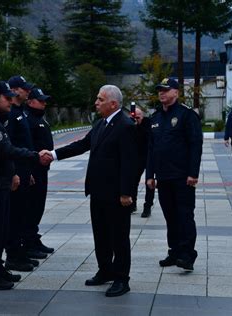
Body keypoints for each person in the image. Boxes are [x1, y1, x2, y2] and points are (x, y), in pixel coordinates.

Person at [45, 85, 137, 297]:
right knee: (101, 234)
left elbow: (130, 163)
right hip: (98, 191)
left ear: (113, 103)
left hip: (116, 195)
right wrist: (54, 154)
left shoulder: (125, 125)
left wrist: (126, 193)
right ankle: (105, 270)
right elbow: (82, 144)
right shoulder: (100, 123)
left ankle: (122, 278)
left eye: (100, 99)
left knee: (119, 237)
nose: (96, 102)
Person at [0, 81, 51, 290]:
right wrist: (29, 161)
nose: (12, 100)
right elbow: (7, 148)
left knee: (10, 222)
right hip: (3, 179)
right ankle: (0, 265)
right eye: (8, 97)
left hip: (15, 173)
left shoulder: (10, 113)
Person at [146, 78, 203, 271]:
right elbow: (152, 149)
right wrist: (150, 175)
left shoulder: (187, 115)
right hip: (164, 177)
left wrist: (193, 173)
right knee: (170, 216)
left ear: (176, 93)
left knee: (185, 215)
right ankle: (174, 251)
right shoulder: (155, 118)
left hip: (182, 177)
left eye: (165, 90)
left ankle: (187, 255)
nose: (161, 93)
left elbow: (196, 145)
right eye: (159, 90)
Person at [5, 75, 39, 271]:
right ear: (15, 89)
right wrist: (14, 173)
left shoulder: (20, 111)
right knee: (15, 217)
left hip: (25, 171)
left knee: (22, 215)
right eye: (24, 89)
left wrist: (29, 172)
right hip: (15, 173)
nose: (27, 92)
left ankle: (20, 253)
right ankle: (13, 256)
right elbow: (8, 146)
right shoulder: (10, 113)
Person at [23, 87, 56, 260]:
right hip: (33, 170)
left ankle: (34, 238)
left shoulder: (38, 117)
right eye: (40, 100)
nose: (44, 103)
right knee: (30, 207)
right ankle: (27, 242)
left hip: (42, 170)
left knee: (38, 207)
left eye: (44, 100)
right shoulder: (27, 119)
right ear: (30, 101)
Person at [130, 107, 155, 218]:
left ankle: (148, 206)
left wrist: (138, 125)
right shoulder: (130, 125)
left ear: (143, 115)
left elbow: (148, 136)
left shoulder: (148, 123)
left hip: (150, 157)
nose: (136, 119)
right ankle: (133, 204)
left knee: (149, 183)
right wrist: (133, 125)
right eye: (134, 117)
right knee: (132, 181)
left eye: (138, 117)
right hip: (136, 158)